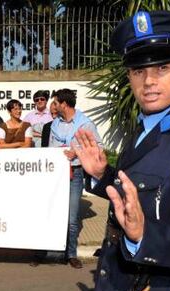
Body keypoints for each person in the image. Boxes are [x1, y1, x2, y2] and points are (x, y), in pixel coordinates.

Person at [72, 11, 170, 291]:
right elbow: (138, 194)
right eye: (138, 70)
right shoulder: (144, 127)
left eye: (162, 67)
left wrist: (146, 235)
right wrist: (103, 174)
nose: (148, 81)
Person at [49, 88, 102, 269]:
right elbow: (51, 148)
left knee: (71, 218)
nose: (54, 106)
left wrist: (77, 154)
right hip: (57, 175)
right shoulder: (55, 124)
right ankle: (53, 250)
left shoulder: (85, 124)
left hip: (76, 174)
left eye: (56, 103)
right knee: (55, 214)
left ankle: (71, 254)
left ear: (64, 104)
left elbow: (99, 146)